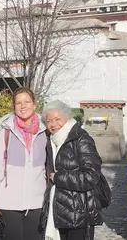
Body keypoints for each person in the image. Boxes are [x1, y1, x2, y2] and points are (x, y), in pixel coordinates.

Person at [0, 88, 47, 240]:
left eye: (27, 102)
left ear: (34, 104)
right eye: (18, 103)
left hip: (37, 203)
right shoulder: (6, 130)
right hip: (8, 203)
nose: (23, 106)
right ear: (14, 106)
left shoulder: (45, 130)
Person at [40, 101, 104, 240]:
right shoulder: (50, 141)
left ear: (68, 118)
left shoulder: (81, 139)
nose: (53, 124)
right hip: (58, 211)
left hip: (79, 212)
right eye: (49, 120)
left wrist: (58, 178)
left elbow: (91, 176)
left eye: (57, 119)